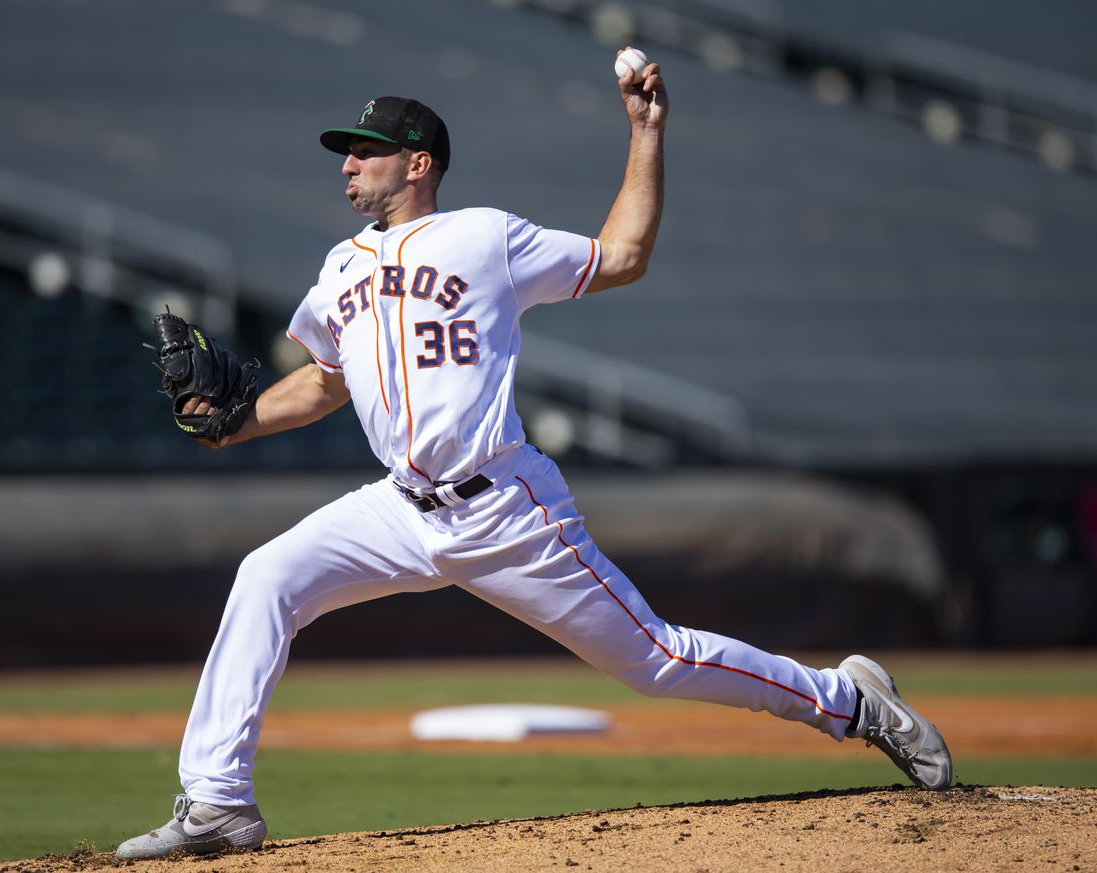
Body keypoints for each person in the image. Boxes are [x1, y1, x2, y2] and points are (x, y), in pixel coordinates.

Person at [115, 50, 952, 861]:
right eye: (345, 153)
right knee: (267, 575)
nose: (348, 166)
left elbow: (623, 256)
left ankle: (850, 702)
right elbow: (325, 383)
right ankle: (219, 804)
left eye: (365, 152)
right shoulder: (339, 269)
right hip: (399, 507)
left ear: (418, 163)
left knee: (655, 660)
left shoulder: (485, 238)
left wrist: (645, 132)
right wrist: (235, 422)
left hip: (506, 508)